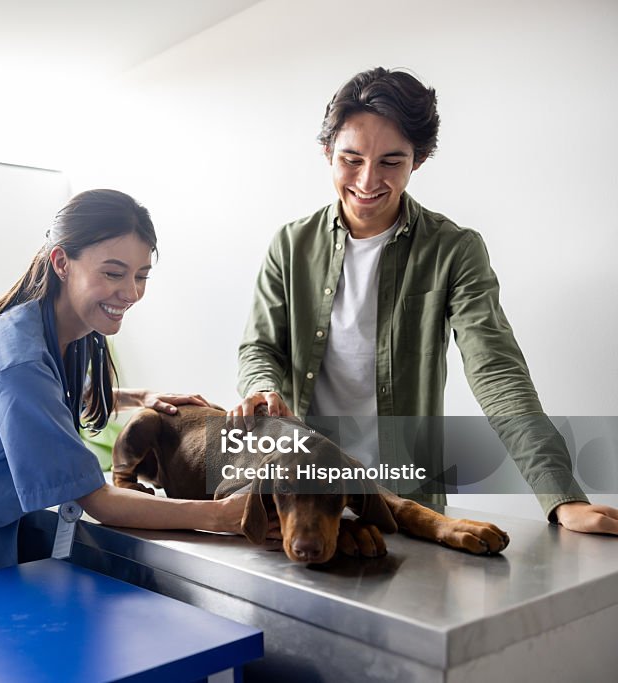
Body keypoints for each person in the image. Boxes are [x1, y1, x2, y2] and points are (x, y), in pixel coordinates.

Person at [233, 67, 618, 535]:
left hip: (407, 502)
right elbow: (260, 347)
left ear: (420, 159)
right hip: (304, 499)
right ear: (326, 151)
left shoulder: (454, 249)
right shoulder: (290, 245)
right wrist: (261, 387)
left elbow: (497, 372)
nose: (367, 180)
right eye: (350, 159)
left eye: (391, 162)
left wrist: (562, 496)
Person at [0, 189, 261, 590]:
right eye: (113, 273)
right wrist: (219, 514)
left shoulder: (54, 325)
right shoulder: (19, 361)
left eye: (141, 275)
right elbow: (100, 501)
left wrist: (137, 397)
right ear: (61, 262)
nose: (130, 292)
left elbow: (53, 398)